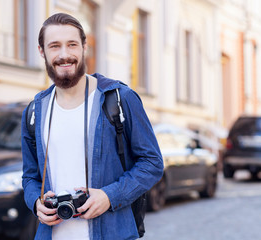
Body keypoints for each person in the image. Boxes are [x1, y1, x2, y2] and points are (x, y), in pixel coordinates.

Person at [21, 13, 163, 240]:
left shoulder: (118, 99)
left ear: (84, 47)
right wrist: (36, 202)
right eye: (55, 46)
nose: (64, 55)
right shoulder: (35, 111)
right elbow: (30, 177)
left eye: (72, 45)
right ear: (42, 51)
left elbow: (152, 163)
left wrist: (109, 196)